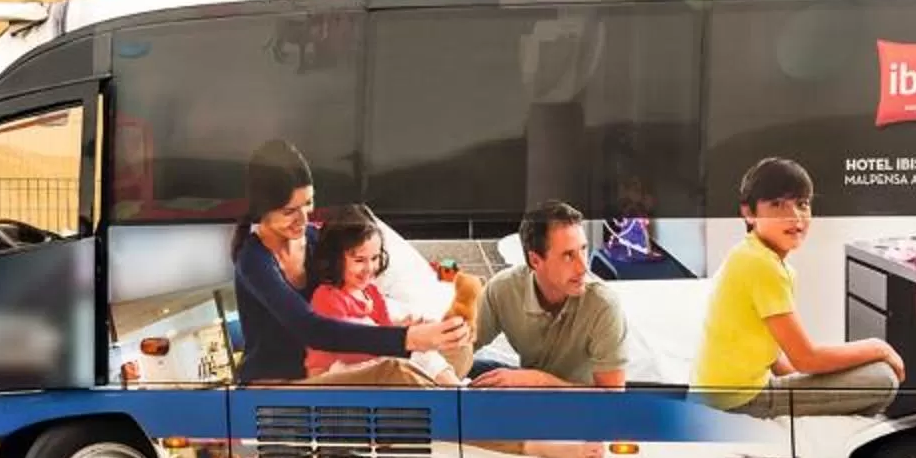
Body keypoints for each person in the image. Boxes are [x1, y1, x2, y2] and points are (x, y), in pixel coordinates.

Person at [229, 141, 467, 386]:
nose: (303, 218)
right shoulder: (253, 260)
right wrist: (407, 338)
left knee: (459, 350)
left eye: (308, 203)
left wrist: (407, 328)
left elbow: (356, 301)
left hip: (337, 366)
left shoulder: (316, 239)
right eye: (290, 211)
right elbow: (312, 329)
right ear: (262, 208)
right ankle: (458, 408)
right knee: (397, 372)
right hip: (278, 386)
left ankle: (456, 398)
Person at [694, 157, 903, 417]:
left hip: (721, 394)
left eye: (802, 204)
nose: (795, 217)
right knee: (882, 377)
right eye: (777, 204)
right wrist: (878, 346)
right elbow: (806, 358)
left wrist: (811, 383)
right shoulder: (761, 265)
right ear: (748, 213)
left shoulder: (752, 255)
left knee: (865, 371)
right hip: (736, 401)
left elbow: (775, 358)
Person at [473, 201, 629, 389]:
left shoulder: (603, 305)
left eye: (583, 249)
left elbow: (612, 400)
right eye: (568, 255)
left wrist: (541, 382)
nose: (583, 267)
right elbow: (465, 343)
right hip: (531, 387)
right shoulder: (503, 288)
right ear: (535, 260)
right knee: (470, 371)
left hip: (582, 403)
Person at [303, 205, 459, 384]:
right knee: (403, 359)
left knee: (424, 352)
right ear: (335, 259)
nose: (369, 268)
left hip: (366, 360)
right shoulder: (328, 297)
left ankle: (458, 391)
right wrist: (406, 339)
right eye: (359, 260)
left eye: (375, 258)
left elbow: (384, 329)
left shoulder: (371, 292)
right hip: (333, 370)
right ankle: (450, 397)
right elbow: (347, 347)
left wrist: (407, 328)